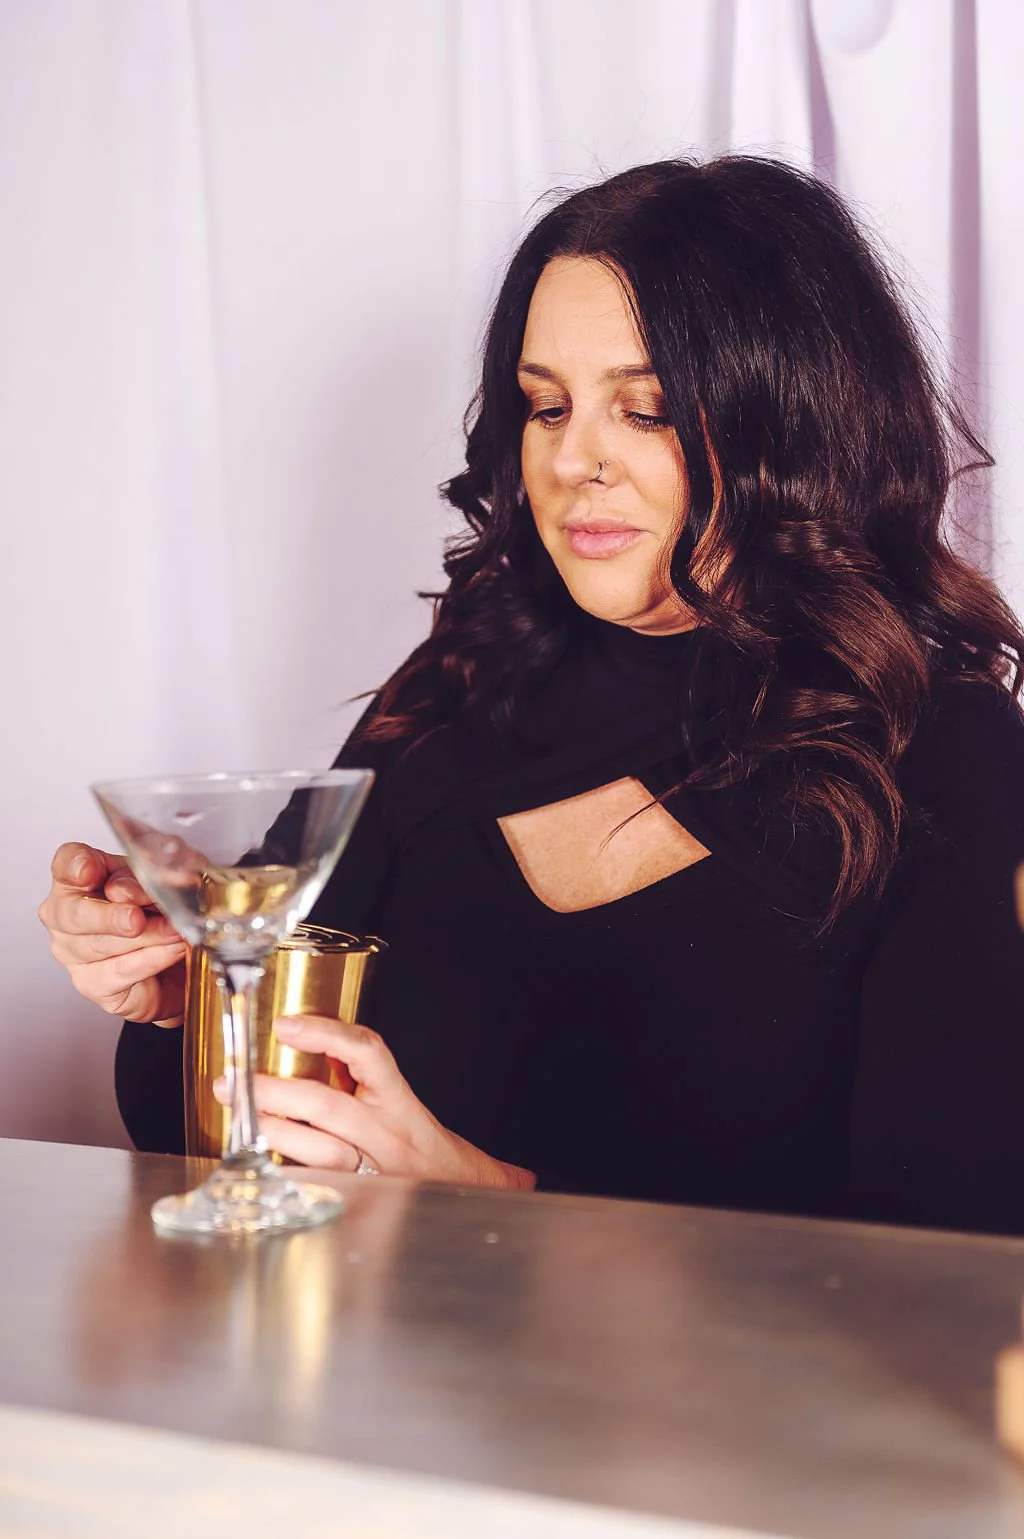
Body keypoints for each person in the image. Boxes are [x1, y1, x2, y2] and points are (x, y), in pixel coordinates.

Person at [39, 156, 1024, 1234]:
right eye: (544, 406)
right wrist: (183, 999)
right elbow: (214, 1135)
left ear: (790, 424)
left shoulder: (945, 753)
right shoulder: (460, 689)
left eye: (643, 410)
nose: (573, 462)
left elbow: (946, 1258)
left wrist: (495, 1206)